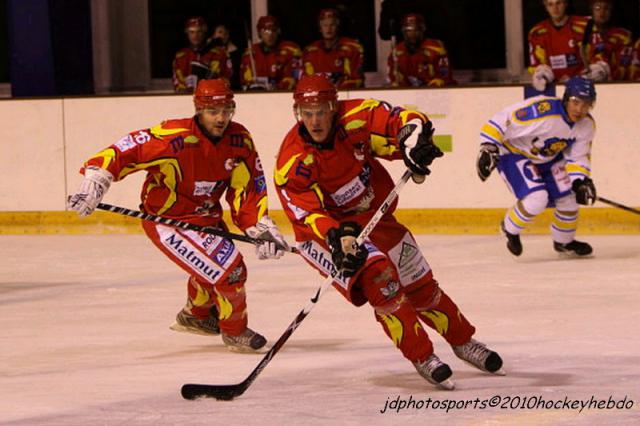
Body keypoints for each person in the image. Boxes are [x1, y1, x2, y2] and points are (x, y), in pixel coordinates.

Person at [273, 74, 503, 389]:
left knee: (421, 286)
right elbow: (304, 213)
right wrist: (336, 236)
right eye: (307, 112)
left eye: (321, 111)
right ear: (298, 112)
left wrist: (413, 141)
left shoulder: (355, 118)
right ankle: (422, 356)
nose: (314, 120)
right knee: (382, 281)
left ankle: (464, 342)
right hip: (329, 236)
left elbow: (401, 120)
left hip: (375, 218)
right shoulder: (292, 160)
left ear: (333, 108)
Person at [67, 79, 289, 353]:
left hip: (205, 219)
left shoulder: (239, 140)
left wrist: (258, 224)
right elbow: (127, 149)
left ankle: (195, 316)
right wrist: (98, 177)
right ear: (198, 109)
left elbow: (247, 186)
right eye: (212, 111)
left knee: (213, 268)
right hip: (168, 223)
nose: (221, 118)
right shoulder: (174, 136)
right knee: (231, 272)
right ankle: (234, 332)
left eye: (226, 110)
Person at [476, 76, 597, 257]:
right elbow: (504, 118)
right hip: (514, 153)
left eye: (586, 104)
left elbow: (577, 156)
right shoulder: (543, 111)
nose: (580, 109)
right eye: (576, 102)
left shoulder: (586, 125)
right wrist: (488, 145)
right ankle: (509, 228)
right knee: (537, 199)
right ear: (566, 98)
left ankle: (564, 242)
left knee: (570, 200)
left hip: (549, 159)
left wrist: (580, 180)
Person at [528, 0, 608, 91]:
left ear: (566, 3)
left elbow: (599, 53)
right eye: (550, 4)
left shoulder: (585, 25)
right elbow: (536, 64)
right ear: (545, 6)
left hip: (583, 86)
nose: (555, 8)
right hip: (553, 88)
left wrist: (599, 67)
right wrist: (540, 74)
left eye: (558, 3)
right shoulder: (537, 32)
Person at [387, 13, 455, 87]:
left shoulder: (435, 48)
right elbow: (394, 78)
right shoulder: (397, 52)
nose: (412, 34)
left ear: (422, 30)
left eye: (416, 30)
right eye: (408, 31)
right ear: (403, 32)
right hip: (410, 93)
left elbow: (444, 76)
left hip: (437, 91)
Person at [302, 8, 364, 89]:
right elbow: (306, 80)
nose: (329, 29)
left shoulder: (351, 48)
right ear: (320, 28)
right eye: (325, 25)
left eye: (332, 24)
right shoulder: (310, 51)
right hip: (320, 95)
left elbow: (357, 79)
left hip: (344, 94)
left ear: (337, 26)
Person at [240, 16, 302, 91]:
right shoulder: (251, 52)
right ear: (259, 33)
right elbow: (245, 81)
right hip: (257, 98)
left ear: (278, 31)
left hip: (283, 97)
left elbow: (294, 78)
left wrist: (275, 88)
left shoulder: (290, 50)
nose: (270, 35)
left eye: (273, 30)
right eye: (266, 31)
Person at [172, 17, 232, 93]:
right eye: (192, 32)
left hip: (212, 97)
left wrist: (210, 79)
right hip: (186, 99)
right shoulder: (180, 56)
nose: (195, 35)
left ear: (204, 32)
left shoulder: (219, 54)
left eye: (199, 31)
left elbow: (227, 79)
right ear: (187, 33)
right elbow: (177, 83)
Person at [585, 0, 633, 81]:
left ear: (611, 11)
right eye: (597, 8)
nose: (602, 12)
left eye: (606, 8)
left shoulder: (623, 35)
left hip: (615, 84)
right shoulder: (581, 33)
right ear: (591, 10)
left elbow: (625, 66)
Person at [210, 23, 242, 90]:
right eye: (220, 32)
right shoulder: (209, 53)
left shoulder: (235, 52)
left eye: (226, 33)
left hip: (232, 88)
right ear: (214, 35)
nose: (223, 35)